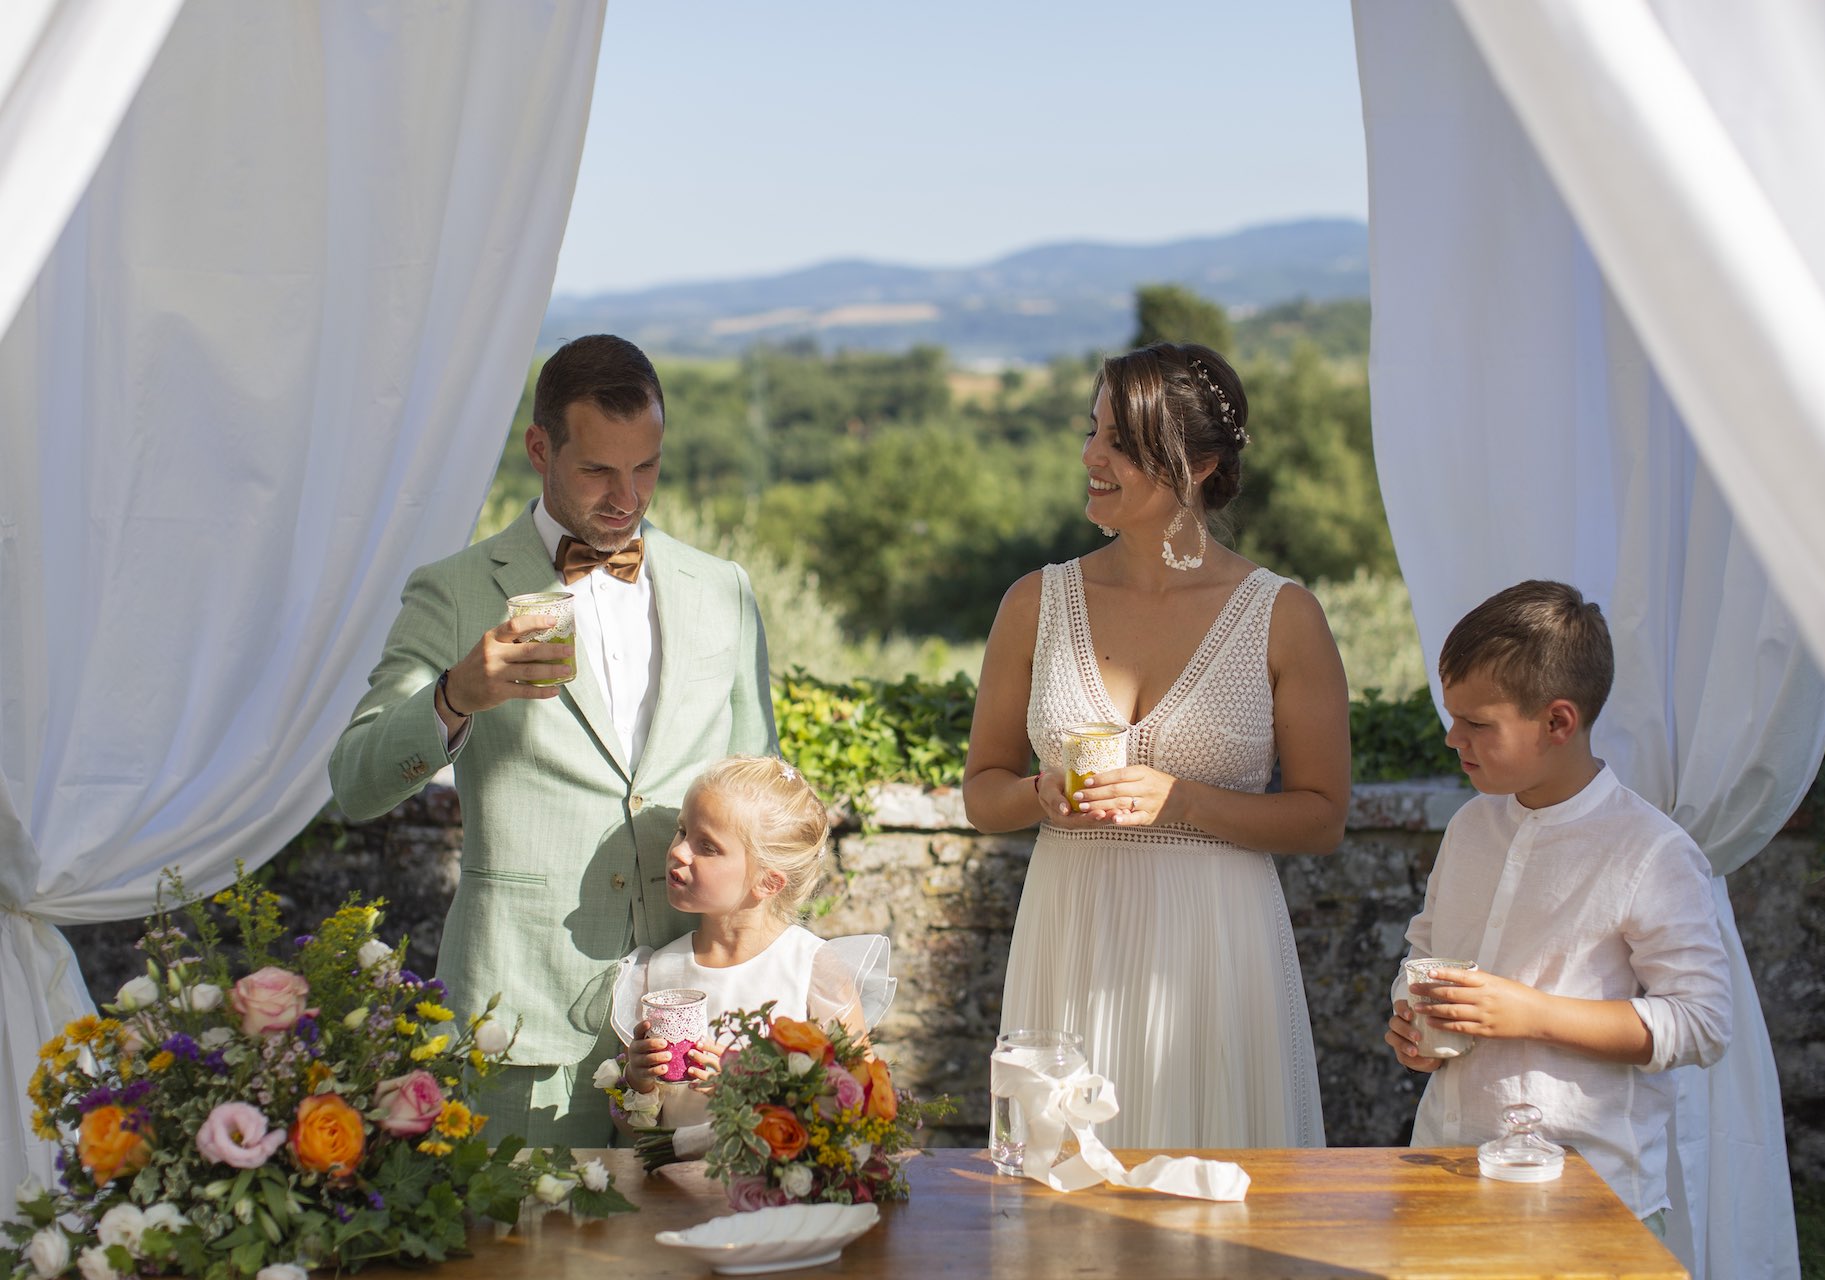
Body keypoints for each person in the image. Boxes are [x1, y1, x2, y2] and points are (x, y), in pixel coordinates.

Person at [328, 334, 779, 1146]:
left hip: (692, 1028)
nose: (627, 496)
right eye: (598, 470)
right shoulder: (456, 590)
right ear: (540, 448)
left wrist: (759, 983)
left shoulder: (724, 591)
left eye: (647, 467)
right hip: (520, 1022)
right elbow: (356, 782)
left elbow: (762, 798)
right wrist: (457, 694)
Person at [962, 342, 1350, 1148]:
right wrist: (1039, 796)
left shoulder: (1283, 616)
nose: (1090, 456)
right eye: (1093, 430)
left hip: (1215, 951)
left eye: (1121, 444)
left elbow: (1322, 818)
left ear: (1201, 464)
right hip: (1071, 931)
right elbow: (982, 792)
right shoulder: (1034, 603)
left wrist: (1184, 800)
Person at [1384, 580, 1731, 1237]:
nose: (1453, 737)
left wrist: (1531, 1013)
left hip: (1591, 1198)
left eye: (1477, 723)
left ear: (1558, 722)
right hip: (1446, 1168)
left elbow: (1703, 1022)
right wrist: (1413, 1020)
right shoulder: (1468, 829)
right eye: (1452, 715)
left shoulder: (1651, 852)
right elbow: (1423, 952)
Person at [600, 755, 894, 1132]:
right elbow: (635, 1126)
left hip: (774, 1182)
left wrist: (749, 1084)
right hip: (673, 1182)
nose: (678, 850)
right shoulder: (658, 968)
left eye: (707, 847)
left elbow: (861, 1103)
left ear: (768, 883)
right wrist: (639, 1079)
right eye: (682, 830)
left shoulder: (809, 968)